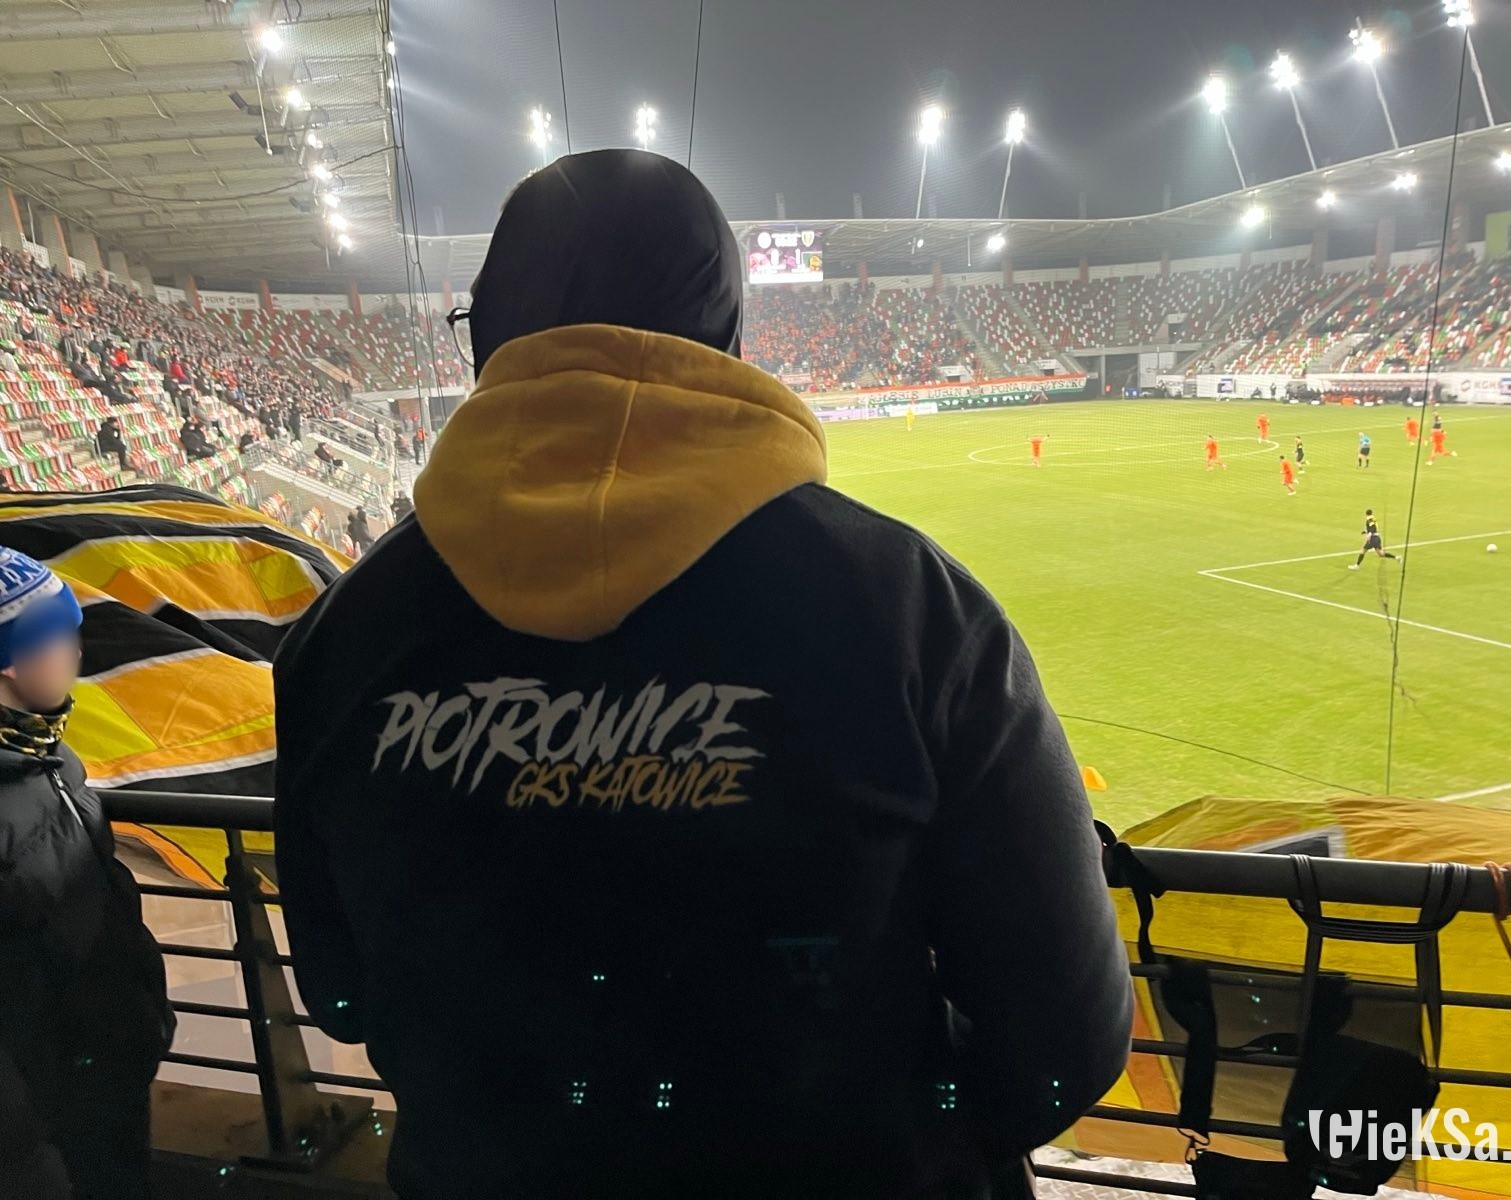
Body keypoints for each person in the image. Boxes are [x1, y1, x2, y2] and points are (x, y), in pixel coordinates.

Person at [273, 148, 1130, 1200]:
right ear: (727, 338)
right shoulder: (911, 606)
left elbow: (341, 993)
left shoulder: (342, 634)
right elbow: (1066, 1037)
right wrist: (907, 1132)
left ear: (489, 334)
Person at [0, 548, 173, 1200]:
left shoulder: (51, 756)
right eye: (62, 637)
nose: (78, 652)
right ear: (11, 660)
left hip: (104, 1073)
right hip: (46, 1125)